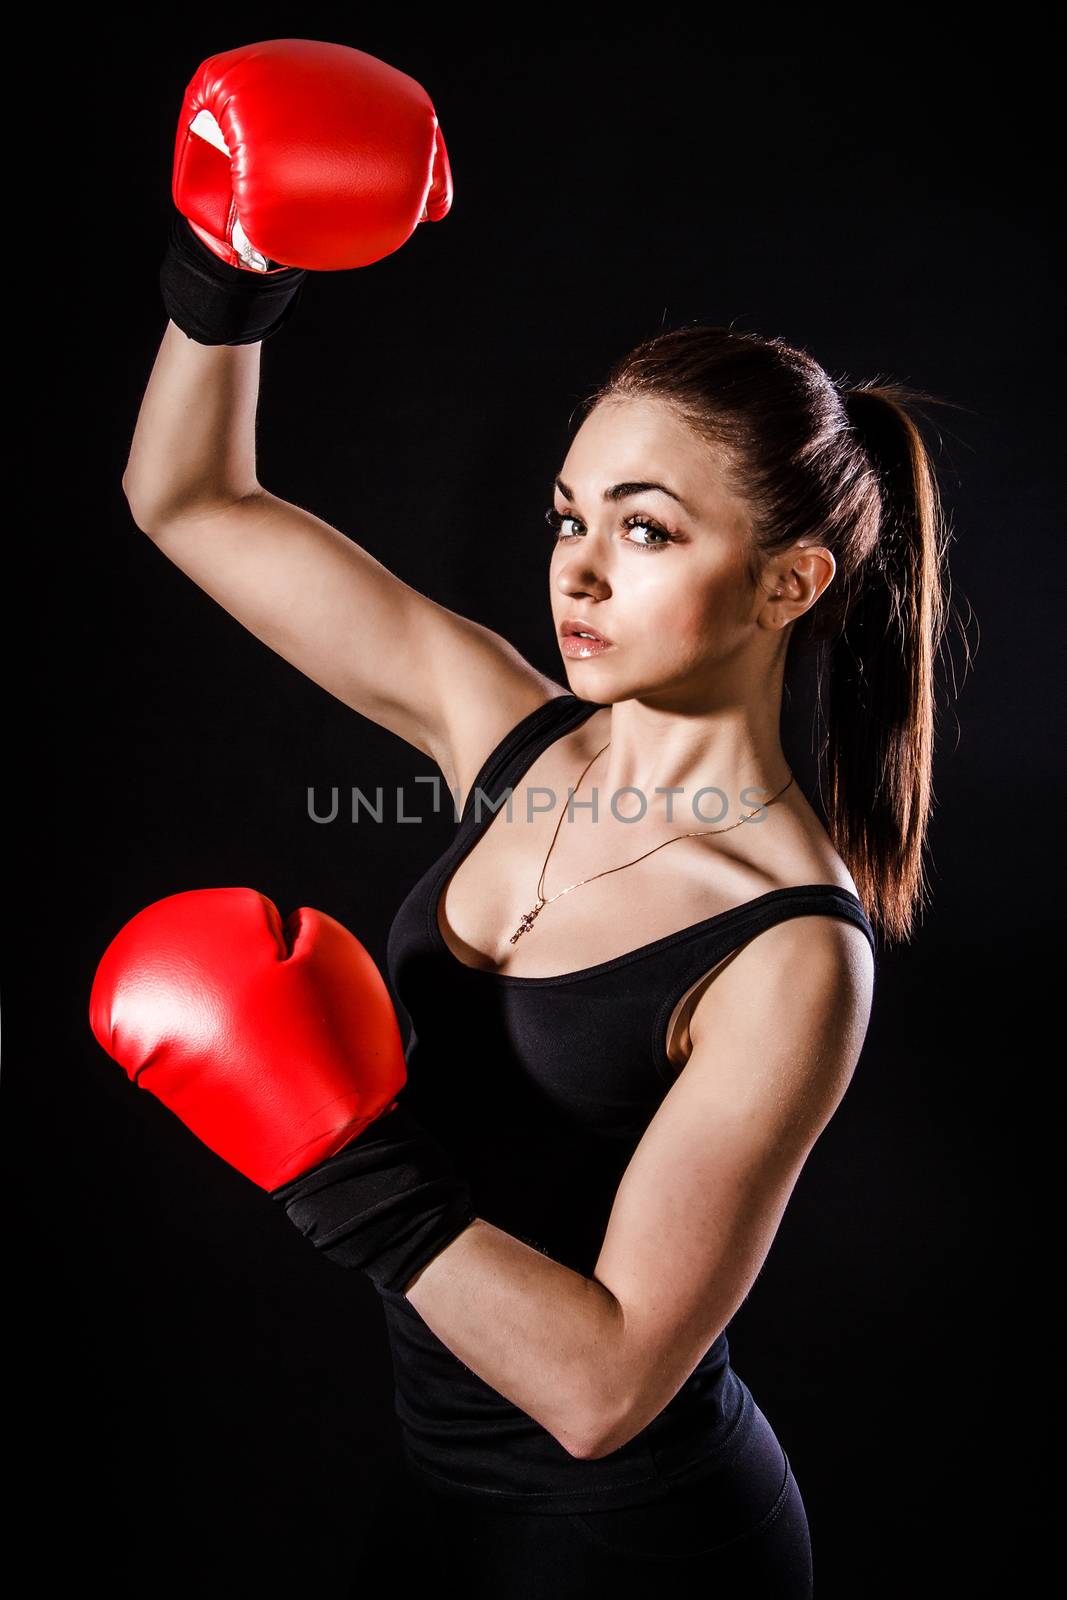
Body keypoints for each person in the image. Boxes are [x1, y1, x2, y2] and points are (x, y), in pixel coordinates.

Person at [119, 40, 954, 1600]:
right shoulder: (506, 730)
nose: (578, 570)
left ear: (791, 583)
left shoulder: (791, 954)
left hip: (641, 1542)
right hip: (438, 1497)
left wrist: (322, 1151)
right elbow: (195, 505)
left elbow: (603, 1385)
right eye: (570, 517)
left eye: (648, 529)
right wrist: (229, 267)